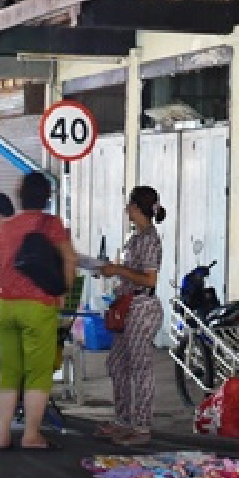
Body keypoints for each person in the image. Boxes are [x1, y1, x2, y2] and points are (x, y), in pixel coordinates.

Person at [0, 171, 75, 450]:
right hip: (39, 306)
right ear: (47, 197)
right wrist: (63, 291)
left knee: (9, 372)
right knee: (37, 373)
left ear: (20, 195)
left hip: (4, 306)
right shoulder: (51, 224)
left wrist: (0, 283)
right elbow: (69, 259)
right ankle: (30, 435)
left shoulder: (7, 226)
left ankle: (2, 434)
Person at [96, 186, 165, 446]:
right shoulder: (135, 237)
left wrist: (118, 271)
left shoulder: (149, 239)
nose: (126, 210)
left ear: (137, 208)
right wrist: (114, 271)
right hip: (127, 306)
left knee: (140, 366)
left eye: (129, 206)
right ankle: (123, 419)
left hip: (141, 307)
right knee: (117, 364)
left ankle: (142, 425)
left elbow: (149, 278)